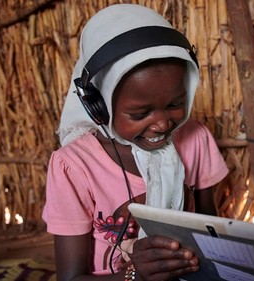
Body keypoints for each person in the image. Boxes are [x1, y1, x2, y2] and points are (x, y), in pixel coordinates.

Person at [42, 4, 229, 281]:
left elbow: (208, 230)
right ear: (99, 106)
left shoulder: (196, 138)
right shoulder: (74, 166)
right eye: (140, 113)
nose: (163, 124)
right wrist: (134, 276)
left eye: (176, 104)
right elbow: (69, 278)